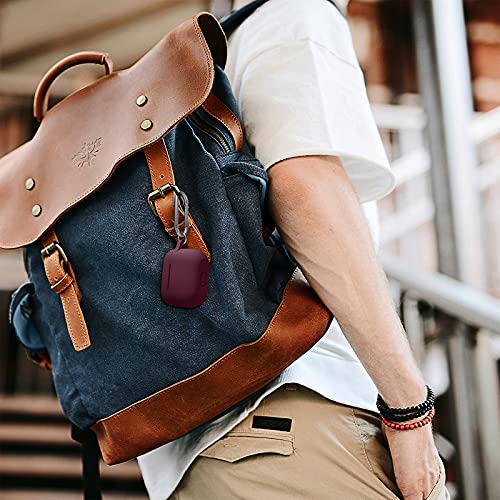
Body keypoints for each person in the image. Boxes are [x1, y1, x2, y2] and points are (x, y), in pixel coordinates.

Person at [138, 1, 450, 498]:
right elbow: (304, 187)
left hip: (201, 454)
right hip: (295, 421)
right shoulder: (297, 13)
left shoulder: (213, 57)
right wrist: (410, 408)